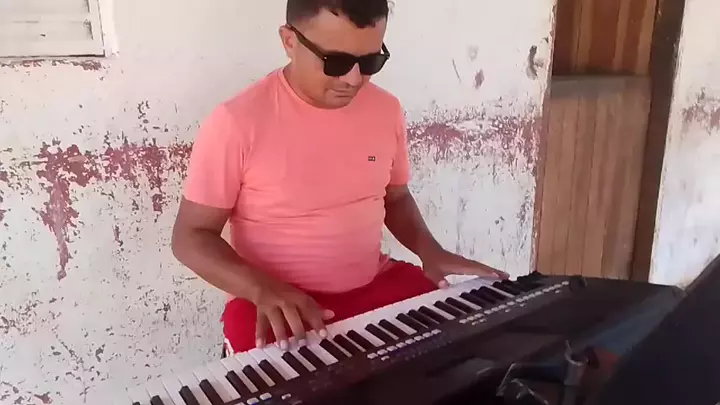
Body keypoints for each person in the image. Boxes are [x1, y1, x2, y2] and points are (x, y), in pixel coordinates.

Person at [171, 0, 507, 355]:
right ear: (289, 41)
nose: (353, 79)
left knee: (475, 348)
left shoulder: (386, 109)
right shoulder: (236, 122)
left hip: (374, 286)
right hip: (275, 304)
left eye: (370, 62)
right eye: (336, 62)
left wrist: (430, 250)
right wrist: (260, 288)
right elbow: (190, 236)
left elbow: (395, 197)